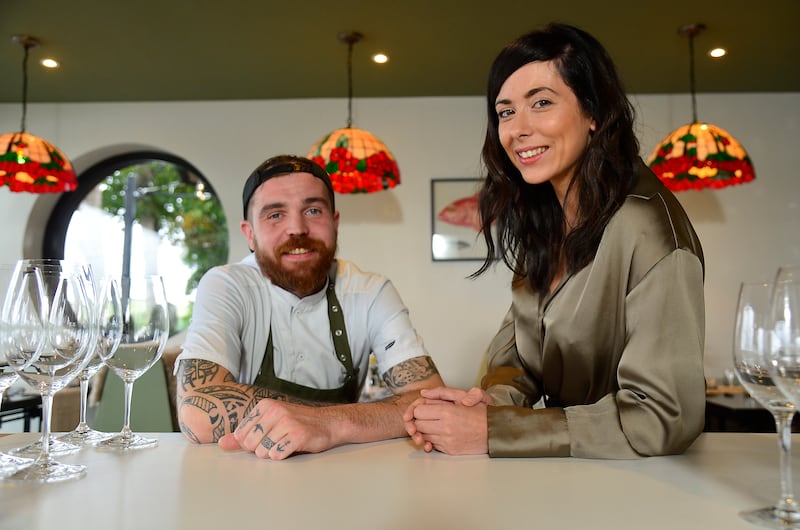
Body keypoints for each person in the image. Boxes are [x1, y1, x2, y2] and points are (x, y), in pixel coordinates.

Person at [403, 23, 705, 459]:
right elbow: (518, 360)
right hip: (566, 481)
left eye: (541, 103)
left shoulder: (647, 227)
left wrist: (496, 432)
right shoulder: (545, 220)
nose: (518, 129)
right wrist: (486, 406)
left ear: (593, 112)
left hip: (645, 491)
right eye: (505, 112)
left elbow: (662, 415)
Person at [176, 154, 443, 459]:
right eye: (275, 215)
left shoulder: (370, 291)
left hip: (340, 469)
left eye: (313, 210)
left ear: (335, 223)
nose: (297, 229)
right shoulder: (227, 285)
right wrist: (356, 419)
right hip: (248, 471)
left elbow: (430, 405)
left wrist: (327, 424)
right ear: (249, 234)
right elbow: (196, 412)